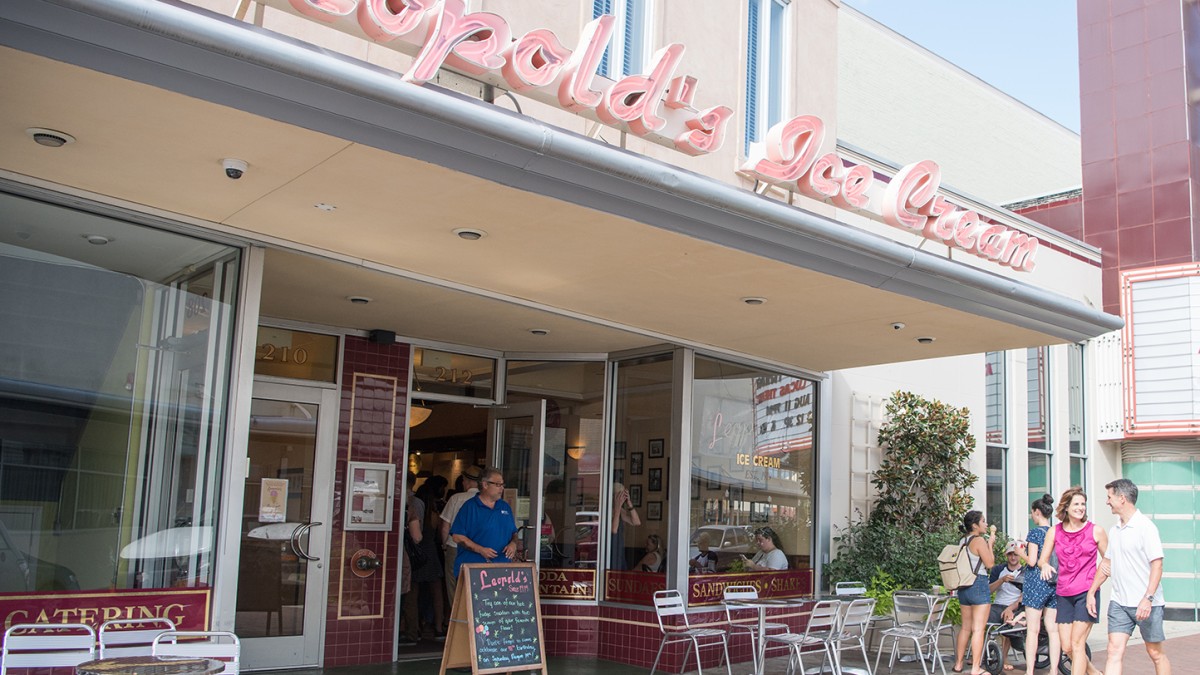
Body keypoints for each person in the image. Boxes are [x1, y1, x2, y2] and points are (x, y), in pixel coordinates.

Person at [1088, 479, 1170, 675]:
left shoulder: (1146, 527)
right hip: (1120, 603)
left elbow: (1157, 565)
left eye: (1109, 497)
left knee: (1155, 653)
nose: (1107, 502)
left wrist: (1147, 598)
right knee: (1113, 650)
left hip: (1148, 603)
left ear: (1122, 498)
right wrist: (1092, 591)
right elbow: (1106, 564)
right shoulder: (1115, 530)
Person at [1038, 487, 1107, 675]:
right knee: (1067, 647)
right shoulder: (1054, 532)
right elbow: (1042, 559)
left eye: (1083, 504)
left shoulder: (1096, 531)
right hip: (1063, 594)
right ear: (1066, 507)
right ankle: (1094, 673)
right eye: (1076, 504)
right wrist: (1044, 565)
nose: (1081, 508)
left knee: (1077, 644)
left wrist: (1094, 588)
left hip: (1087, 593)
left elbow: (1108, 560)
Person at [1016, 493, 1060, 675]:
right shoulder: (1056, 532)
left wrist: (1020, 553)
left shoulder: (1034, 533)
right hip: (1054, 583)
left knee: (1033, 630)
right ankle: (1054, 670)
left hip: (1036, 583)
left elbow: (1033, 561)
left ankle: (1029, 671)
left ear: (1037, 512)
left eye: (1032, 513)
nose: (1031, 516)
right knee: (1053, 630)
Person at [449, 467, 519, 579]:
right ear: (485, 485)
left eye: (502, 485)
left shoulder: (505, 506)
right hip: (473, 571)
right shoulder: (470, 507)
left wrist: (513, 544)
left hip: (502, 571)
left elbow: (514, 532)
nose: (501, 488)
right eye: (498, 485)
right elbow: (457, 536)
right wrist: (480, 549)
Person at [952, 510, 995, 675]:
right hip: (978, 584)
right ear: (975, 525)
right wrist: (990, 544)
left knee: (965, 628)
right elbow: (990, 563)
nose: (985, 524)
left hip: (964, 586)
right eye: (983, 521)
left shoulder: (962, 541)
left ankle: (958, 664)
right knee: (978, 629)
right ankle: (976, 668)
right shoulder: (979, 541)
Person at [439, 469, 480, 603]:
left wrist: (444, 545)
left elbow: (445, 526)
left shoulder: (456, 498)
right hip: (478, 549)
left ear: (467, 482)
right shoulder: (486, 501)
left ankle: (455, 614)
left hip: (455, 546)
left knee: (453, 582)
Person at [987, 542, 1026, 672]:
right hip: (997, 604)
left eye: (1015, 554)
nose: (1013, 557)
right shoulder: (999, 570)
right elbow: (988, 591)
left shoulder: (1025, 572)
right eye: (1010, 554)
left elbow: (1023, 597)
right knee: (979, 620)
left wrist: (1010, 608)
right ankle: (981, 655)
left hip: (1013, 607)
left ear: (1020, 555)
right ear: (1006, 555)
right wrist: (1001, 580)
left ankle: (1003, 657)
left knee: (1008, 621)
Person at [398, 498, 423, 647]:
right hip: (402, 556)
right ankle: (408, 632)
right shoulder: (409, 507)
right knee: (405, 595)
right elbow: (417, 537)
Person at [609, 482, 641, 570]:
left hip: (619, 547)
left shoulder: (621, 511)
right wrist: (617, 507)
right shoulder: (607, 510)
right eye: (619, 495)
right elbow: (614, 530)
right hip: (609, 547)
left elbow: (636, 522)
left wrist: (629, 503)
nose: (621, 499)